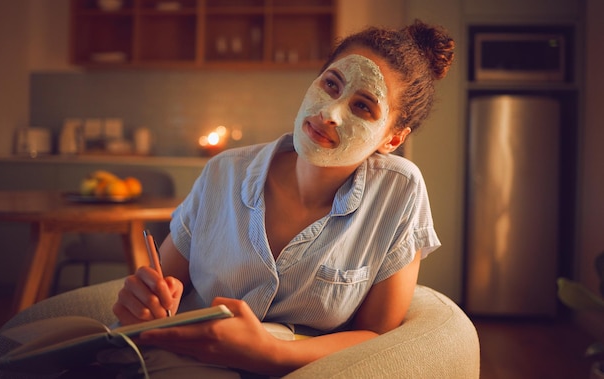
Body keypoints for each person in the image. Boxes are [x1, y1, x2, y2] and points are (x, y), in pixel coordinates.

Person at [112, 19, 455, 378]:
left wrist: (270, 353)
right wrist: (144, 303)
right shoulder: (223, 172)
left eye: (363, 107)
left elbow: (377, 336)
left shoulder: (399, 192)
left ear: (392, 140)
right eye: (330, 85)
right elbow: (161, 289)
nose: (330, 113)